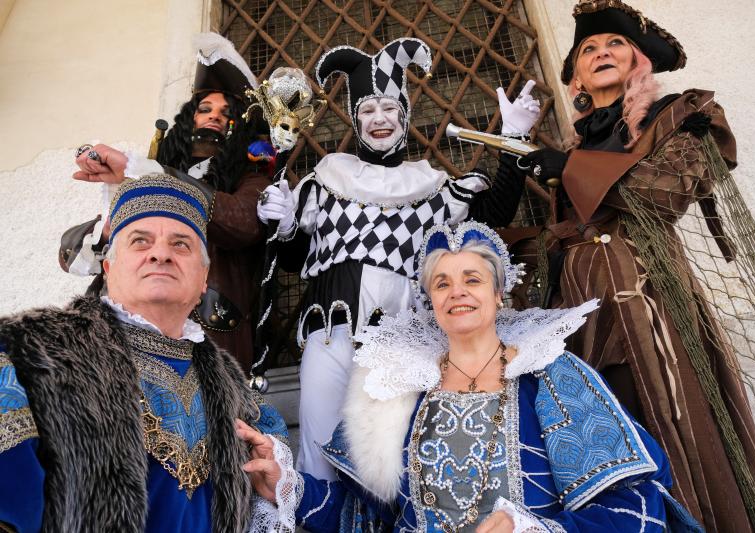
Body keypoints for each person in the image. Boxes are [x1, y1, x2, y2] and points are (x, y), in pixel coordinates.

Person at [237, 220, 704, 532]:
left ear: (499, 294)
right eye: (442, 283)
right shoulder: (396, 390)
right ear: (431, 300)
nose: (456, 292)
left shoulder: (550, 377)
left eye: (473, 279)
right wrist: (288, 485)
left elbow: (637, 508)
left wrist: (532, 530)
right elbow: (363, 516)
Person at [518, 1, 755, 531]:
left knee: (662, 414)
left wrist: (570, 167)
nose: (600, 53)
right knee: (606, 437)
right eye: (588, 49)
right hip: (580, 315)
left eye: (615, 43)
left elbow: (662, 195)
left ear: (638, 61)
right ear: (577, 75)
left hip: (648, 302)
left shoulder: (680, 116)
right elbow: (563, 235)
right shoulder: (581, 140)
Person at [256, 38, 541, 480]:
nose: (379, 119)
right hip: (330, 335)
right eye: (367, 111)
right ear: (355, 120)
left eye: (389, 108)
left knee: (394, 462)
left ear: (405, 115)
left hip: (404, 340)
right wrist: (286, 223)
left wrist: (512, 140)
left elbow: (494, 214)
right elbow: (294, 259)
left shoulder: (429, 184)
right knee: (319, 453)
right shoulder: (329, 176)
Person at [0, 174, 288, 532]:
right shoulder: (31, 352)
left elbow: (264, 492)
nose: (161, 253)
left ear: (203, 279)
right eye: (140, 241)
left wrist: (279, 487)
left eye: (181, 244)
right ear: (109, 267)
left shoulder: (236, 389)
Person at [62, 33, 274, 371]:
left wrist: (142, 170)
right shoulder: (149, 173)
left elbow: (243, 223)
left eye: (225, 112)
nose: (214, 117)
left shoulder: (250, 179)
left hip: (211, 335)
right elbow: (74, 260)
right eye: (204, 109)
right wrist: (107, 229)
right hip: (123, 339)